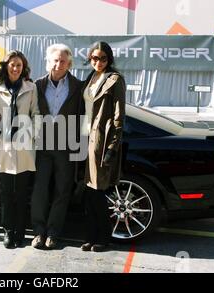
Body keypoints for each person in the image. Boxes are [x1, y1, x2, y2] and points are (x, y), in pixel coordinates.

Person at [30, 44, 83, 250]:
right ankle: (38, 232)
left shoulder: (78, 87)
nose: (58, 64)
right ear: (48, 62)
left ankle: (53, 233)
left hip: (66, 147)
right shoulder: (37, 85)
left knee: (62, 191)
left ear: (69, 64)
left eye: (63, 61)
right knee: (40, 190)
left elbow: (83, 118)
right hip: (42, 146)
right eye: (55, 60)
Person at [0, 50, 39, 249]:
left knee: (22, 193)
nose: (15, 68)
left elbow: (36, 113)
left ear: (23, 68)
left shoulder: (31, 88)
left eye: (19, 65)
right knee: (7, 193)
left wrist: (31, 134)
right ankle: (8, 232)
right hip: (4, 147)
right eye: (12, 65)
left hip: (24, 147)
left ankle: (20, 232)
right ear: (5, 66)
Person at [80, 41, 126, 252]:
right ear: (89, 59)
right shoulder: (90, 79)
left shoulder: (115, 80)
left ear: (109, 59)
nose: (98, 62)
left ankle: (103, 237)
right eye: (94, 58)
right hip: (83, 141)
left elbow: (119, 117)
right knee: (88, 195)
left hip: (101, 142)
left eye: (103, 58)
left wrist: (111, 148)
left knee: (97, 193)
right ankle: (90, 237)